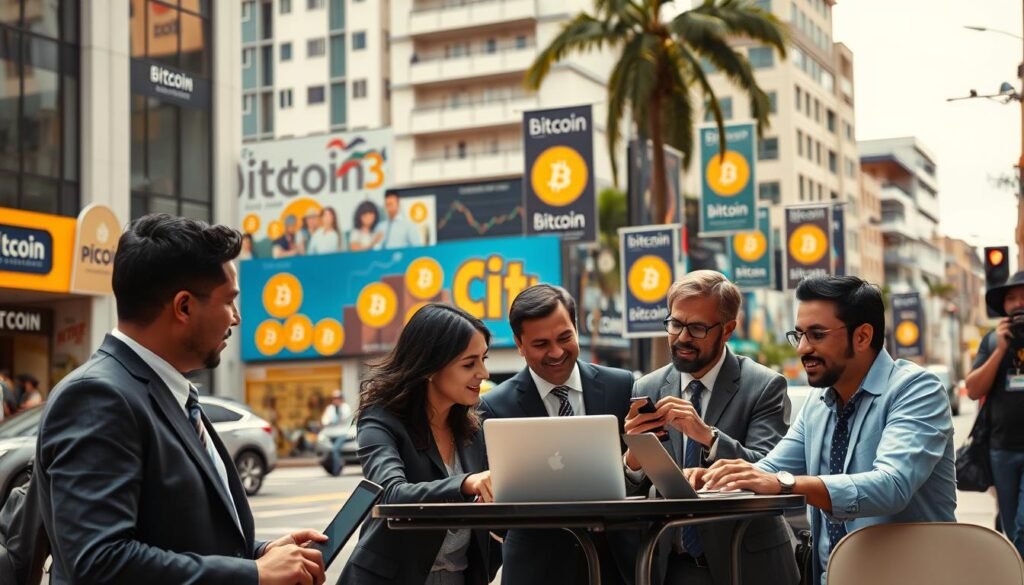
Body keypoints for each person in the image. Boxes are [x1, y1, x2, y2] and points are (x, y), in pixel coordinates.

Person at [34, 214, 327, 585]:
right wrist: (252, 574)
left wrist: (262, 554)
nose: (236, 318)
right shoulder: (98, 397)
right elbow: (99, 561)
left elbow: (176, 538)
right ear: (184, 307)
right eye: (229, 301)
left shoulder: (168, 392)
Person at [698, 276, 956, 584]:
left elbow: (891, 486)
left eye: (817, 334)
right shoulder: (817, 402)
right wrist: (714, 479)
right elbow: (769, 472)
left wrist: (783, 483)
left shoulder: (916, 390)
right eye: (799, 335)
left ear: (862, 337)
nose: (803, 348)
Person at [625, 270, 797, 585]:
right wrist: (633, 460)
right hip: (669, 567)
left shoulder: (764, 385)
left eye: (698, 328)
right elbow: (631, 490)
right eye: (675, 324)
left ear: (728, 329)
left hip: (746, 565)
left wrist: (706, 435)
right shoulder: (647, 385)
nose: (682, 337)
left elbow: (769, 471)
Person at [478, 284, 634, 585]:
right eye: (540, 344)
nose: (557, 352)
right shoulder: (494, 407)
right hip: (536, 569)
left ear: (576, 327)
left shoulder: (622, 386)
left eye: (565, 337)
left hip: (616, 564)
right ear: (519, 344)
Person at [339, 303, 500, 585]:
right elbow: (391, 494)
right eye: (469, 363)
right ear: (430, 367)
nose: (484, 373)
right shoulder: (380, 419)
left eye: (484, 359)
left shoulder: (475, 426)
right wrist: (465, 483)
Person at [966, 270, 1024, 556]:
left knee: (1023, 525)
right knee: (1012, 527)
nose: (1018, 303)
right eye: (1011, 298)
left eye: (1023, 297)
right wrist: (1000, 350)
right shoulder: (992, 341)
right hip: (1001, 449)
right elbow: (973, 388)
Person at [321, 390, 353, 475]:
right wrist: (328, 421)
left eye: (338, 398)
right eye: (334, 398)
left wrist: (334, 418)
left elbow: (344, 418)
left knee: (335, 449)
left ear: (341, 399)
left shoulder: (345, 407)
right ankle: (335, 466)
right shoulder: (330, 408)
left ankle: (336, 470)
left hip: (342, 434)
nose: (336, 400)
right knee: (330, 450)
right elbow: (325, 420)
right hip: (331, 434)